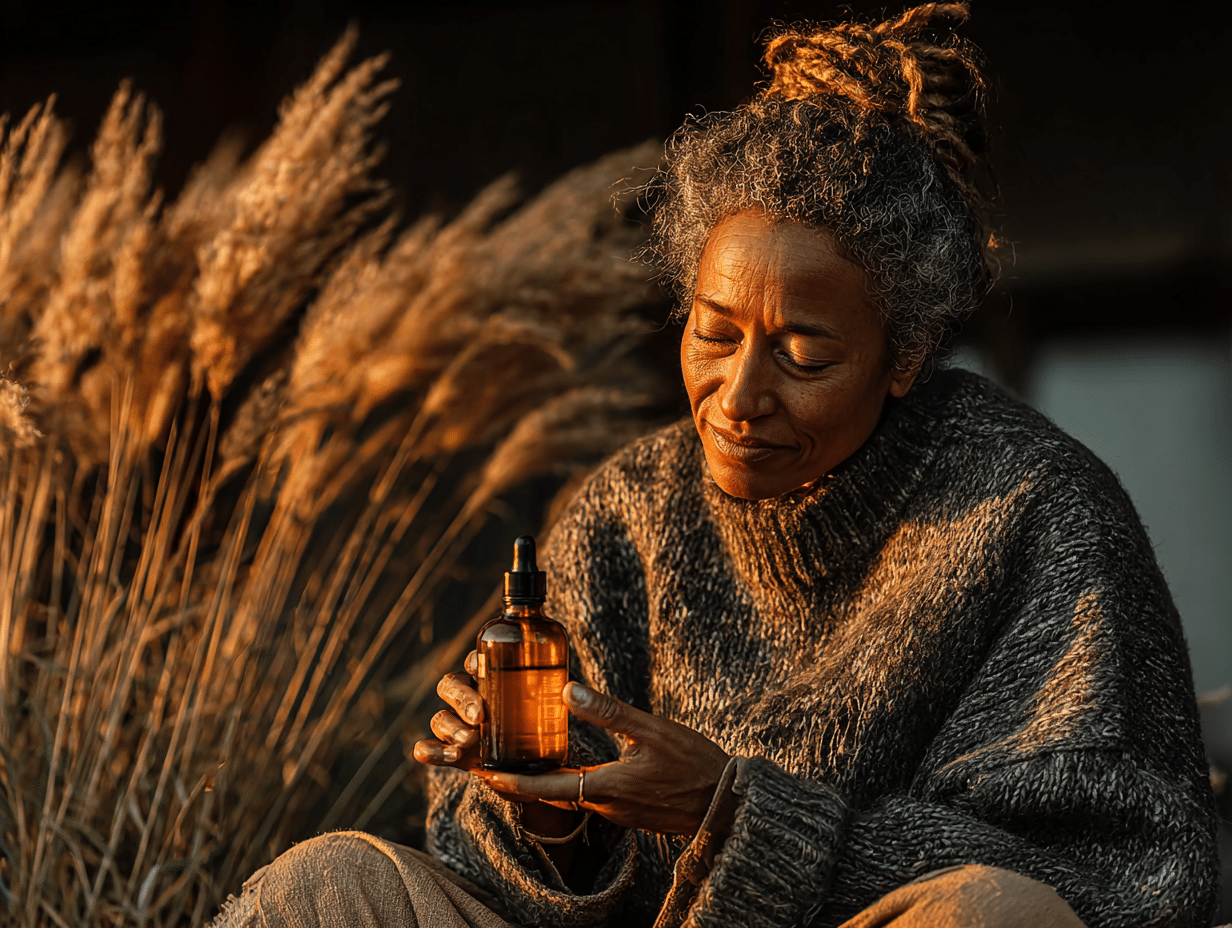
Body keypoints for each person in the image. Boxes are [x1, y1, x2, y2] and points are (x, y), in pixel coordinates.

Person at [211, 4, 1220, 927]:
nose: (737, 398)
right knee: (327, 881)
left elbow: (1126, 881)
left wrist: (732, 809)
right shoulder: (620, 514)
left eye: (804, 355)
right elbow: (512, 881)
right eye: (713, 332)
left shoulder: (1037, 514)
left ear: (903, 354)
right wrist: (548, 809)